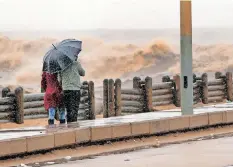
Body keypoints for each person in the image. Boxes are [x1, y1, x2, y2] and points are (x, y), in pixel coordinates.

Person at [58, 58, 85, 123]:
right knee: (75, 108)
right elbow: (83, 73)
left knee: (69, 109)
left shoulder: (61, 65)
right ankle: (74, 124)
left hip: (66, 89)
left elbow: (59, 80)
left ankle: (70, 125)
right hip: (75, 89)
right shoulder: (76, 63)